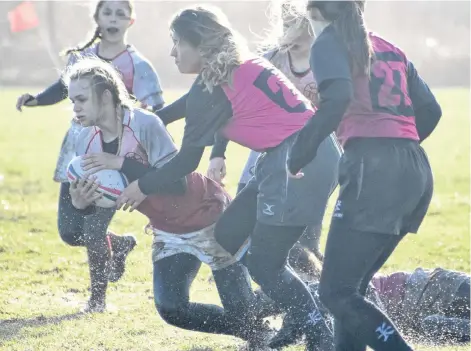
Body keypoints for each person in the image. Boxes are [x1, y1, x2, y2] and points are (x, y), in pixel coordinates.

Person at [117, 5, 335, 350]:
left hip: (300, 158)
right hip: (303, 154)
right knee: (231, 231)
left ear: (200, 44)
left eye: (177, 43)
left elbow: (188, 160)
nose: (172, 51)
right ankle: (303, 309)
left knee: (265, 263)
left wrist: (140, 186)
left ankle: (319, 331)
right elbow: (189, 104)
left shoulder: (213, 85)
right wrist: (149, 118)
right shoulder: (234, 66)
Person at [61, 58, 271, 347]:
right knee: (172, 308)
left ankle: (305, 298)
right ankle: (254, 329)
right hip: (168, 229)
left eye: (81, 99)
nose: (75, 107)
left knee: (242, 310)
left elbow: (177, 183)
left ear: (106, 96)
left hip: (210, 218)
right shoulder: (86, 139)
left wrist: (121, 163)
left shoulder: (145, 124)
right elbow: (102, 198)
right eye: (73, 100)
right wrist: (79, 201)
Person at [286, 1, 441, 350]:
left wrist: (299, 154)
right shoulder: (390, 47)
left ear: (315, 13)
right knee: (350, 290)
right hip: (414, 169)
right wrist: (398, 145)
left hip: (373, 169)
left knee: (335, 292)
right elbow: (431, 110)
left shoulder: (328, 41)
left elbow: (337, 97)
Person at [15, 0, 164, 311]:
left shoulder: (139, 65)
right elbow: (59, 89)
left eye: (120, 13)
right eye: (106, 12)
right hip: (79, 151)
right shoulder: (82, 59)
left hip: (115, 156)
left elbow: (157, 109)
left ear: (131, 21)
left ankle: (97, 301)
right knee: (71, 232)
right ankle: (120, 244)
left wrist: (139, 127)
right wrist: (36, 100)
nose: (113, 18)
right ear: (96, 17)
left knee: (93, 230)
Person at [207, 0, 341, 261]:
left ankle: (309, 286)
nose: (288, 29)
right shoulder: (269, 59)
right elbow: (228, 105)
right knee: (245, 224)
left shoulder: (328, 59)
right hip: (266, 154)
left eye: (295, 23)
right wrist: (218, 153)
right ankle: (256, 288)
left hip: (312, 157)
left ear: (311, 21)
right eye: (285, 23)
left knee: (302, 242)